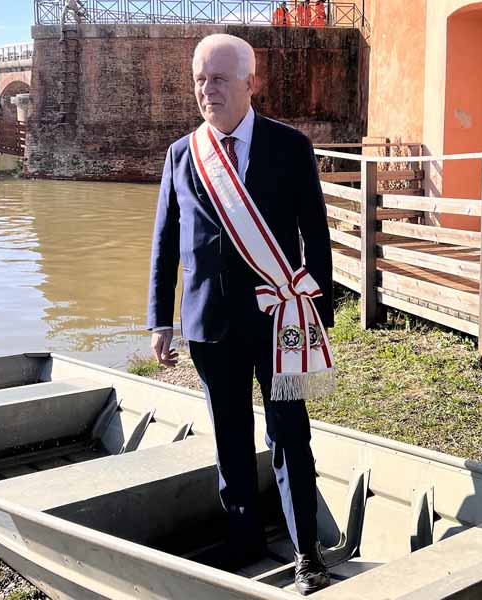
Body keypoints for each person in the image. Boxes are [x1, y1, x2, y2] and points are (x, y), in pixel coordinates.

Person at [146, 34, 334, 595]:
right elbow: (165, 242)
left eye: (220, 79)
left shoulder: (290, 146)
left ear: (251, 83)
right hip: (210, 326)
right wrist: (161, 319)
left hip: (281, 326)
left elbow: (315, 237)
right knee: (229, 438)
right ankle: (244, 540)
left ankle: (306, 553)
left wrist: (315, 310)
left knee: (289, 436)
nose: (208, 90)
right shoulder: (182, 154)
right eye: (201, 79)